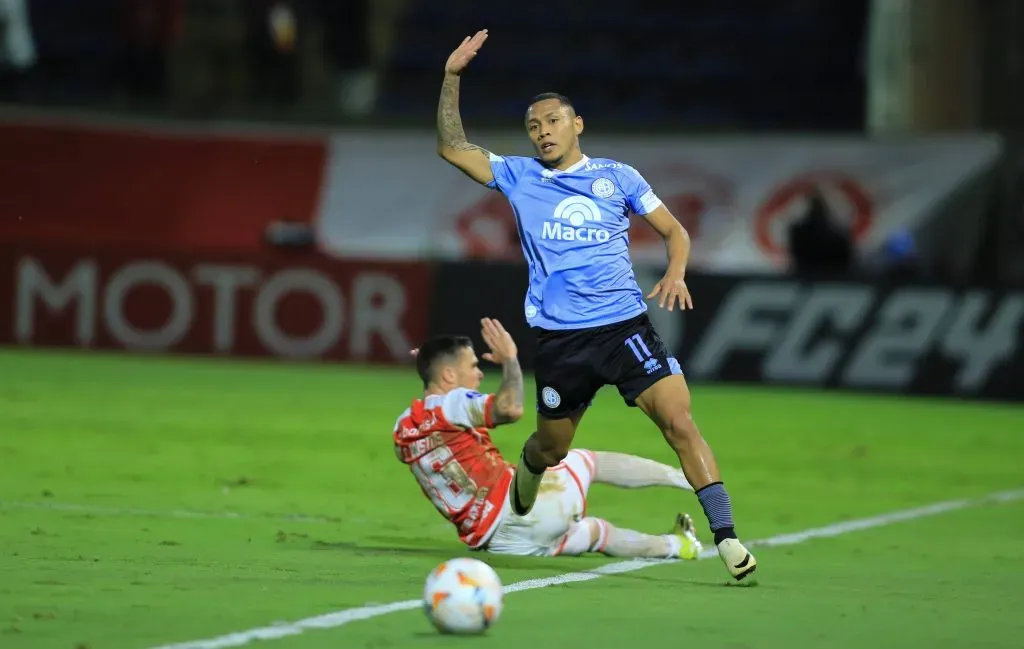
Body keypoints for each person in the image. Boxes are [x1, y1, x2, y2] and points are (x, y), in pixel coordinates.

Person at [434, 30, 756, 580]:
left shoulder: (618, 177)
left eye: (552, 122)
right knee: (550, 446)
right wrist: (451, 77)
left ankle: (727, 537)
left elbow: (674, 231)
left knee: (679, 421)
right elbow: (451, 148)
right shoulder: (519, 177)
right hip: (562, 340)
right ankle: (528, 472)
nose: (542, 133)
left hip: (625, 328)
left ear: (576, 124)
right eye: (534, 127)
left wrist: (676, 272)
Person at [393, 319, 703, 559]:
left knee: (595, 533)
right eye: (473, 366)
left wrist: (427, 363)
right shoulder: (452, 403)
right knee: (585, 461)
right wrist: (511, 360)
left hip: (498, 541)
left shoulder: (404, 428)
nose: (478, 374)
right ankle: (686, 479)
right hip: (518, 509)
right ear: (448, 376)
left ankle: (678, 545)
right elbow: (509, 408)